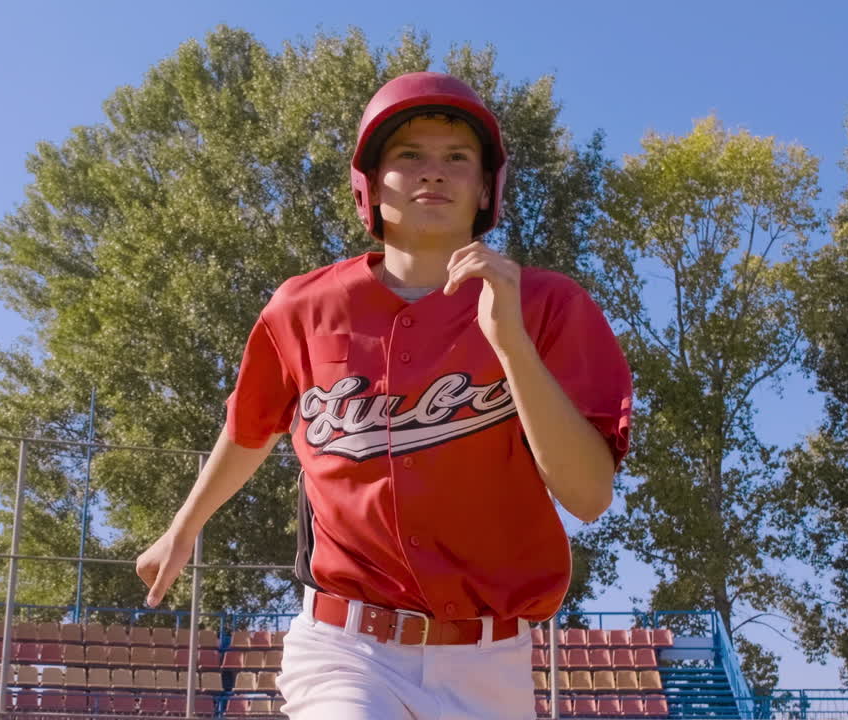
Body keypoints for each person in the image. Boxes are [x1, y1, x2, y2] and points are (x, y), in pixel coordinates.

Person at [136, 71, 633, 720]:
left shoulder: (548, 307)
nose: (434, 173)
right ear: (369, 183)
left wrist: (511, 346)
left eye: (458, 158)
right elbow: (250, 426)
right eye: (409, 156)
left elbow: (589, 495)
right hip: (347, 647)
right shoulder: (303, 308)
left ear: (486, 187)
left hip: (492, 664)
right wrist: (183, 529)